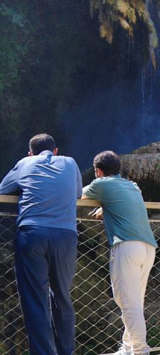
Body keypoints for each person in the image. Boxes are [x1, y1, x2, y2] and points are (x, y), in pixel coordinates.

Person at [0, 133, 82, 355]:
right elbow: (77, 194)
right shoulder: (71, 162)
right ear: (56, 151)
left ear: (30, 153)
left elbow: (2, 189)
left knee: (35, 299)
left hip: (32, 234)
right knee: (62, 296)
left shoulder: (24, 163)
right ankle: (67, 352)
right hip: (65, 236)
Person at [82, 151, 158, 355]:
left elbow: (80, 195)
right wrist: (107, 209)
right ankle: (128, 346)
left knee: (126, 300)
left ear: (98, 171)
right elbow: (123, 204)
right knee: (135, 300)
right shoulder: (132, 186)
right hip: (148, 247)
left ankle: (140, 350)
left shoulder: (101, 184)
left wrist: (102, 205)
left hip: (126, 246)